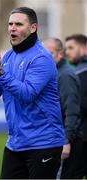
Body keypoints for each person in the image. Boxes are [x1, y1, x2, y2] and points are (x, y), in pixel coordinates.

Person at [0, 7, 66, 179]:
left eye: (18, 24)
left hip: (44, 143)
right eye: (10, 24)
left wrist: (0, 73)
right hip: (16, 144)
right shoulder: (7, 57)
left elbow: (27, 94)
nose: (12, 28)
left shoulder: (41, 58)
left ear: (33, 28)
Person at [43, 38, 83, 179]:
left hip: (60, 141)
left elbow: (72, 111)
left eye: (49, 54)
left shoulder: (65, 75)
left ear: (60, 54)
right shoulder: (51, 73)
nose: (44, 58)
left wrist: (66, 140)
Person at [65, 34, 87, 179]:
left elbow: (77, 106)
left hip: (81, 140)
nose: (67, 52)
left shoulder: (80, 73)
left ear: (84, 47)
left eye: (71, 48)